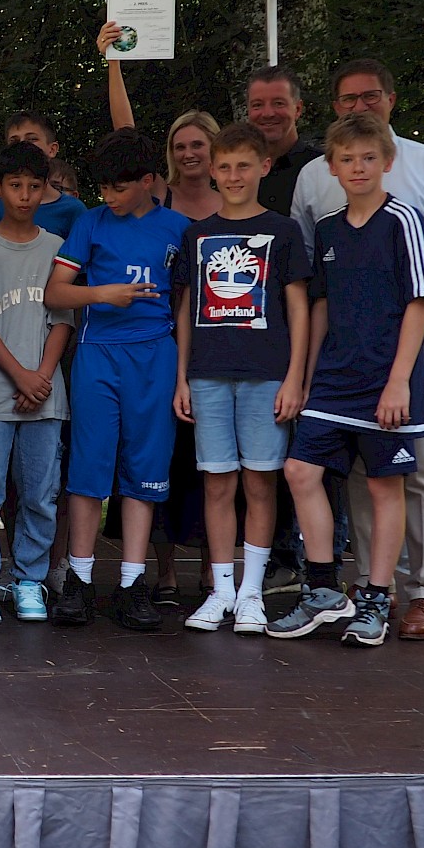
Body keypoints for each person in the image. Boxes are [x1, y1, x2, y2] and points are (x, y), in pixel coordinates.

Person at [291, 59, 424, 641]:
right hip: (338, 358)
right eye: (347, 99)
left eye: (370, 95)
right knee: (347, 475)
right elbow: (314, 286)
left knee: (414, 471)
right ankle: (371, 588)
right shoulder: (321, 195)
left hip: (404, 348)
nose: (359, 106)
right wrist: (305, 372)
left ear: (390, 101)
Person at [271, 112, 424, 647]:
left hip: (386, 381)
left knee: (384, 487)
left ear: (387, 162)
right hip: (332, 379)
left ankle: (375, 601)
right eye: (347, 159)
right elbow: (319, 307)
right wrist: (303, 378)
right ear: (332, 167)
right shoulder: (326, 229)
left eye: (369, 157)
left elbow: (419, 304)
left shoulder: (404, 221)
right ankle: (323, 590)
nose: (359, 167)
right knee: (300, 470)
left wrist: (398, 382)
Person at [43, 128, 188, 631]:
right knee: (88, 466)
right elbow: (55, 293)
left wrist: (182, 371)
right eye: (103, 187)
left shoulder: (180, 229)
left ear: (148, 181)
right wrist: (104, 294)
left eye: (119, 188)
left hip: (155, 357)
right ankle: (79, 581)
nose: (109, 196)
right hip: (98, 355)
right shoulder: (90, 222)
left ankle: (132, 582)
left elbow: (186, 305)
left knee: (145, 470)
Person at [170, 123, 311, 633]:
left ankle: (252, 594)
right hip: (207, 375)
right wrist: (182, 377)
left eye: (243, 166)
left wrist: (294, 378)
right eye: (225, 166)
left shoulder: (283, 231)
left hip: (266, 375)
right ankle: (221, 591)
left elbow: (299, 309)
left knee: (260, 483)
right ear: (212, 170)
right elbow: (186, 311)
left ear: (263, 167)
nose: (233, 176)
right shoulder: (197, 234)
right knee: (216, 484)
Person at [0, 141, 74, 625]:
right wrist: (20, 376)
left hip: (45, 396)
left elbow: (63, 320)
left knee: (39, 493)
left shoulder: (57, 247)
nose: (25, 195)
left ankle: (30, 580)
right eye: (15, 185)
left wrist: (41, 378)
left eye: (35, 186)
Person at [99, 22, 223, 221]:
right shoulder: (159, 193)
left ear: (216, 148)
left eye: (197, 145)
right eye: (179, 147)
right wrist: (114, 63)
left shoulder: (233, 201)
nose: (188, 154)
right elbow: (126, 137)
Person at [0, 112, 87, 240]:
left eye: (32, 139)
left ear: (52, 149)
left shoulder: (72, 210)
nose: (23, 146)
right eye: (14, 141)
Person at [243, 66, 320, 214]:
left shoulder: (322, 168)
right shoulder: (236, 172)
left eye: (278, 103)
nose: (268, 113)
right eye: (257, 105)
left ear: (298, 109)